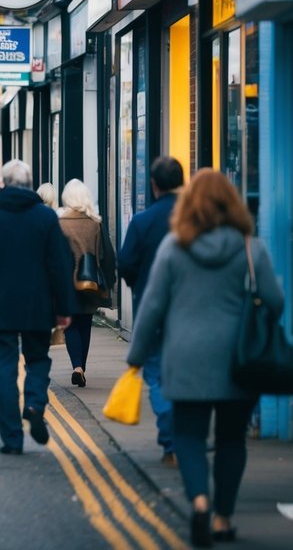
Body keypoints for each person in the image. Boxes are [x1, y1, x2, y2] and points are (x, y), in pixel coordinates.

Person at [126, 170, 282, 547]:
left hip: (186, 359)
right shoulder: (251, 248)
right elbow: (275, 302)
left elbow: (152, 308)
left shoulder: (174, 247)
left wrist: (136, 356)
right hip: (238, 362)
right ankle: (223, 518)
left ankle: (198, 502)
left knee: (189, 437)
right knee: (231, 440)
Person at [0, 160, 75, 455]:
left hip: (0, 303)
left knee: (5, 369)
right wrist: (64, 307)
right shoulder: (46, 217)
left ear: (4, 183)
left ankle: (11, 438)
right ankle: (34, 403)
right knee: (38, 360)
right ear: (29, 183)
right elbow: (60, 265)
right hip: (38, 303)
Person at [119, 155, 185, 467]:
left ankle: (170, 441)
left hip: (153, 309)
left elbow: (126, 263)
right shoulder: (196, 220)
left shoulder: (143, 222)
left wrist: (138, 286)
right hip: (193, 313)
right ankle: (186, 437)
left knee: (157, 376)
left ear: (154, 185)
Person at [58, 178, 117, 388]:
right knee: (85, 324)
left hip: (66, 282)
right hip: (90, 282)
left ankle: (76, 367)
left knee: (71, 325)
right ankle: (82, 366)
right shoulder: (96, 223)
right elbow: (105, 255)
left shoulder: (61, 223)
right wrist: (109, 282)